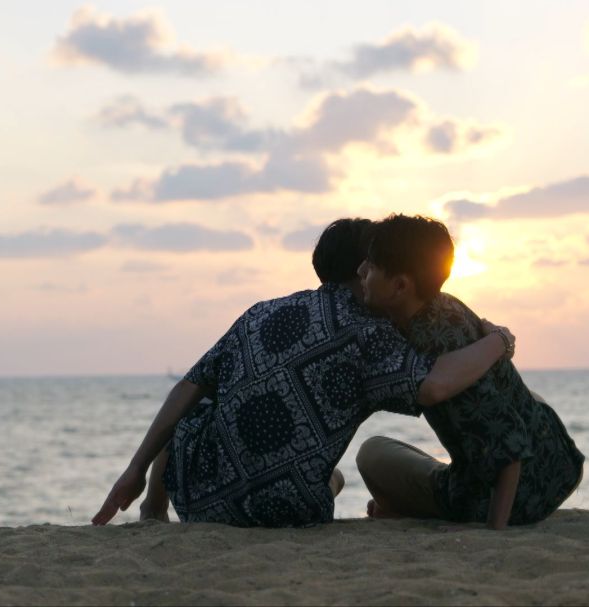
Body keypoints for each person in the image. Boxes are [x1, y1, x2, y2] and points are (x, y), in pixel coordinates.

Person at [92, 219, 517, 528]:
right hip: (288, 513)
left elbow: (188, 385)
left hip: (201, 504)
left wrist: (135, 470)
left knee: (200, 395)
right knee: (334, 477)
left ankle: (153, 509)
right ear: (364, 269)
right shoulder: (371, 336)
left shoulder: (260, 313)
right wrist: (499, 339)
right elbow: (434, 385)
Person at [355, 214, 585, 529]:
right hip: (559, 463)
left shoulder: (436, 352)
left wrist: (496, 530)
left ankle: (416, 506)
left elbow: (508, 446)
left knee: (373, 454)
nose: (360, 271)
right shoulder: (443, 304)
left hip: (512, 497)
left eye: (370, 267)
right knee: (519, 395)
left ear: (400, 286)